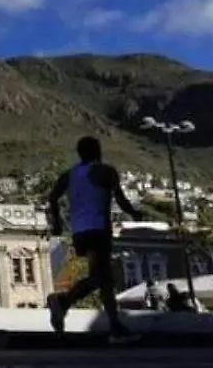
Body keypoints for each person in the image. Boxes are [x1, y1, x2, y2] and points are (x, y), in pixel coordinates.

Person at [45, 136, 143, 342]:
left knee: (103, 279)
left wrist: (57, 223)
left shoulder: (69, 175)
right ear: (98, 151)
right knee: (101, 278)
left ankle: (114, 326)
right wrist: (134, 213)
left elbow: (53, 197)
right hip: (99, 230)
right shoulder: (106, 171)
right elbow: (120, 198)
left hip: (79, 232)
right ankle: (63, 301)